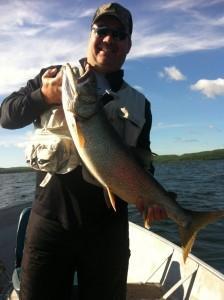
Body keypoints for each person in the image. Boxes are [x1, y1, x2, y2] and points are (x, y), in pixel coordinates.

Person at [0, 3, 167, 300]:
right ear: (90, 34)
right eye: (102, 30)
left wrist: (150, 198)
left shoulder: (141, 104)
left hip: (108, 232)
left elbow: (144, 160)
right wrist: (43, 96)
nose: (109, 39)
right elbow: (7, 115)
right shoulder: (53, 76)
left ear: (128, 44)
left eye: (119, 34)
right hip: (50, 224)